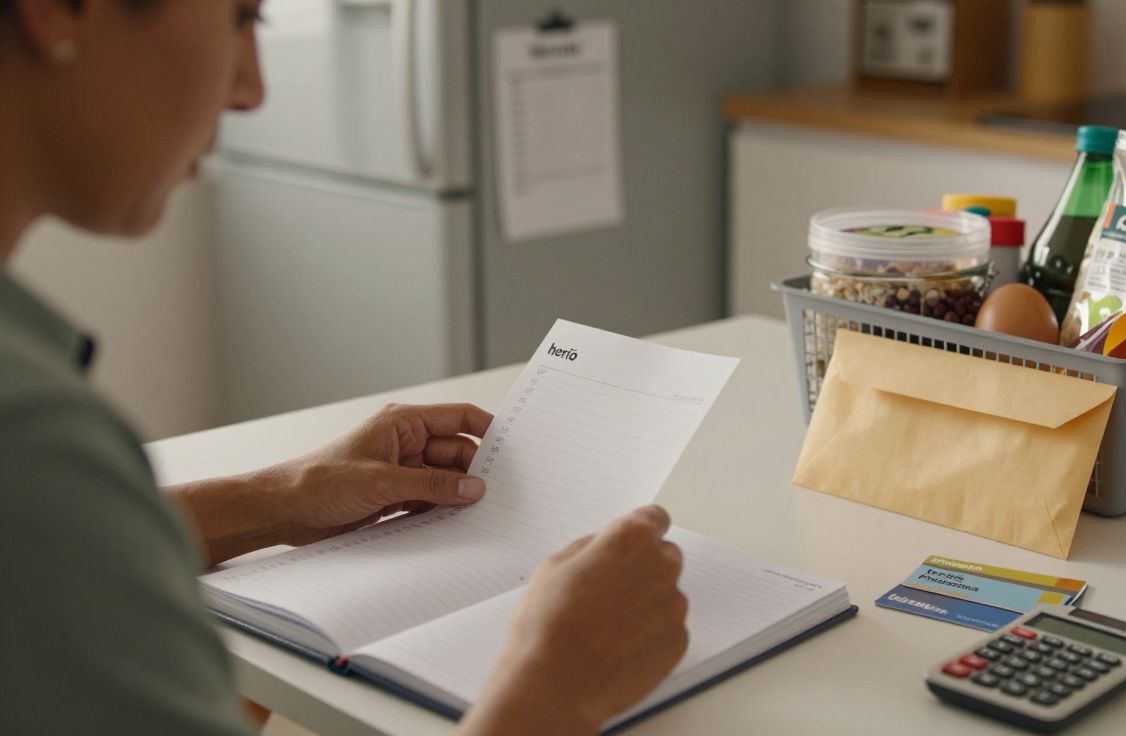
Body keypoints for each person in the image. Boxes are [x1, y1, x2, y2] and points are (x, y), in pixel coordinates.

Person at [0, 1, 689, 734]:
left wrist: (282, 497)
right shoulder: (32, 444)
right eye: (240, 17)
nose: (252, 90)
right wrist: (556, 686)